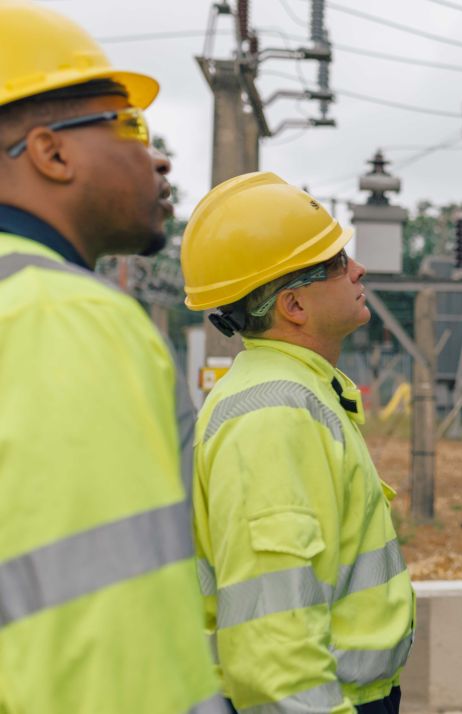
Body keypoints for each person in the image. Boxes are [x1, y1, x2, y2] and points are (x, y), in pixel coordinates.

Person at [0, 2, 223, 712]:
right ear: (50, 152)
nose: (156, 157)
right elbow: (101, 640)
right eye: (129, 125)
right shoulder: (63, 314)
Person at [180, 172, 415, 714]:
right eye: (336, 264)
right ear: (294, 306)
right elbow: (272, 642)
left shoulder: (295, 393)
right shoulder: (273, 413)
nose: (357, 269)